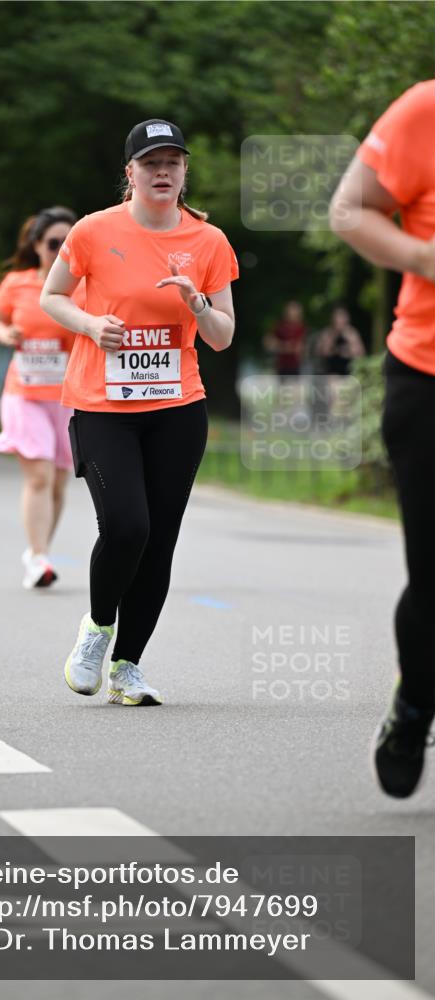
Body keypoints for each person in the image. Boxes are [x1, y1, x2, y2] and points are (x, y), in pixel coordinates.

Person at [41, 118, 238, 706]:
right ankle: (98, 630)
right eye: (150, 163)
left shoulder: (209, 241)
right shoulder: (93, 232)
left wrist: (197, 302)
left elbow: (223, 335)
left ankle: (129, 666)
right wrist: (90, 324)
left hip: (178, 408)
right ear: (129, 173)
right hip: (102, 406)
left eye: (172, 162)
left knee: (160, 542)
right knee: (128, 526)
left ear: (184, 173)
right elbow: (52, 296)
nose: (162, 172)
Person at [330, 79, 435, 798]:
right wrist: (425, 259)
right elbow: (348, 211)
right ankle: (414, 703)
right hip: (427, 374)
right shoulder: (424, 110)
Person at [0, 207, 81, 589]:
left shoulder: (85, 285)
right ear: (37, 246)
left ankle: (38, 552)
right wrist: (4, 334)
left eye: (67, 243)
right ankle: (38, 558)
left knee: (57, 483)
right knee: (38, 476)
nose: (60, 250)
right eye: (53, 243)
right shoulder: (17, 283)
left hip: (68, 397)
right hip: (24, 393)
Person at [315, 306, 365, 377]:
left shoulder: (352, 333)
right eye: (338, 318)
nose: (340, 321)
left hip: (349, 373)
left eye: (342, 318)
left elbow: (360, 355)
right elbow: (323, 352)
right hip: (330, 373)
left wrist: (350, 341)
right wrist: (333, 336)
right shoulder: (327, 333)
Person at [263, 301, 307, 379]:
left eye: (294, 310)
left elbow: (298, 348)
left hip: (296, 366)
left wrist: (279, 346)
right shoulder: (280, 326)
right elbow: (268, 342)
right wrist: (285, 346)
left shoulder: (301, 328)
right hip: (281, 366)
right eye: (289, 309)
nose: (291, 312)